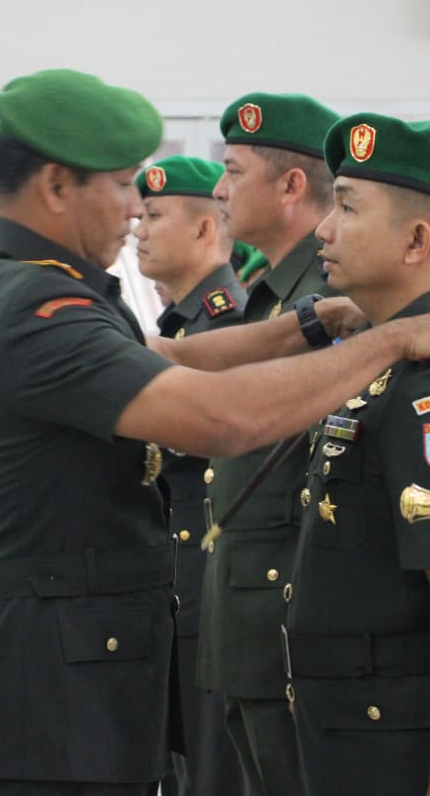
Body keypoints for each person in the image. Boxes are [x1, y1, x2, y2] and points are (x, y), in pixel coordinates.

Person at [0, 68, 430, 796]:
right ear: (55, 186)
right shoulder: (36, 306)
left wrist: (314, 321)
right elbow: (221, 417)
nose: (133, 213)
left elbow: (171, 354)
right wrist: (392, 341)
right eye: (120, 189)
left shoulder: (16, 276)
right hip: (54, 717)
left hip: (72, 697)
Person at [285, 113, 430, 796]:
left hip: (396, 752)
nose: (323, 229)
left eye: (348, 207)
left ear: (417, 240)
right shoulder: (382, 358)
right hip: (353, 735)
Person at [196, 92, 340, 796]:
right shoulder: (270, 293)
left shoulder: (331, 290)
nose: (220, 189)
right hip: (243, 619)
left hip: (287, 620)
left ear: (290, 186)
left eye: (233, 170)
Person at [131, 155, 246, 796]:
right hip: (179, 585)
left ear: (205, 230)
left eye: (154, 215)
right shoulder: (182, 324)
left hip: (206, 583)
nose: (138, 229)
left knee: (210, 772)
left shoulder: (227, 326)